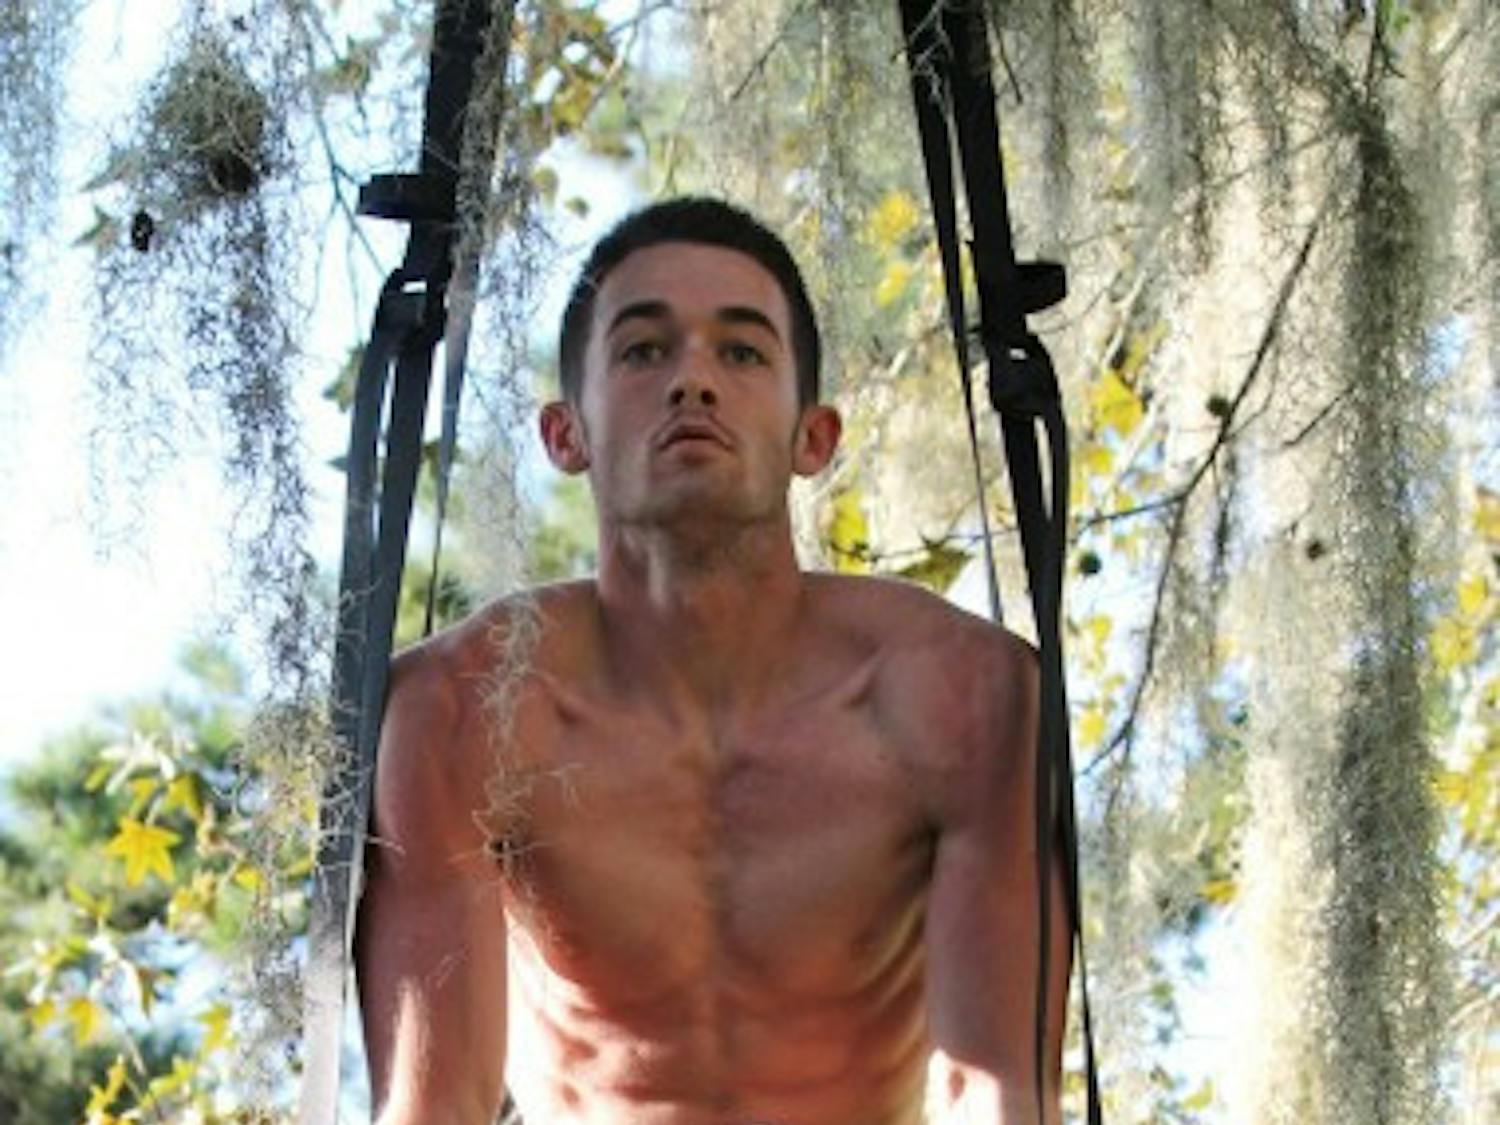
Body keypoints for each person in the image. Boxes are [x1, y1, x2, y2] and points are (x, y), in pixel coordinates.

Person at [355, 197, 1071, 1125]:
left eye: (742, 351)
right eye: (644, 349)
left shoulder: (958, 695)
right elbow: (430, 1108)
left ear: (813, 436)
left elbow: (1003, 1092)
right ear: (565, 433)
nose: (693, 379)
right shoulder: (467, 709)